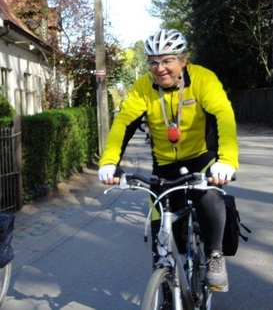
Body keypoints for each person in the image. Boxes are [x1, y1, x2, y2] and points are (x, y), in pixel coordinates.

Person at [97, 29, 239, 292]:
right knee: (159, 227)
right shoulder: (143, 87)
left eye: (167, 60)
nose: (159, 68)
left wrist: (227, 160)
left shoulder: (202, 79)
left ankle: (214, 256)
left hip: (202, 158)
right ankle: (163, 283)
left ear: (183, 60)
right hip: (163, 164)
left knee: (209, 196)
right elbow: (123, 123)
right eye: (153, 62)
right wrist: (109, 161)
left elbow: (224, 115)